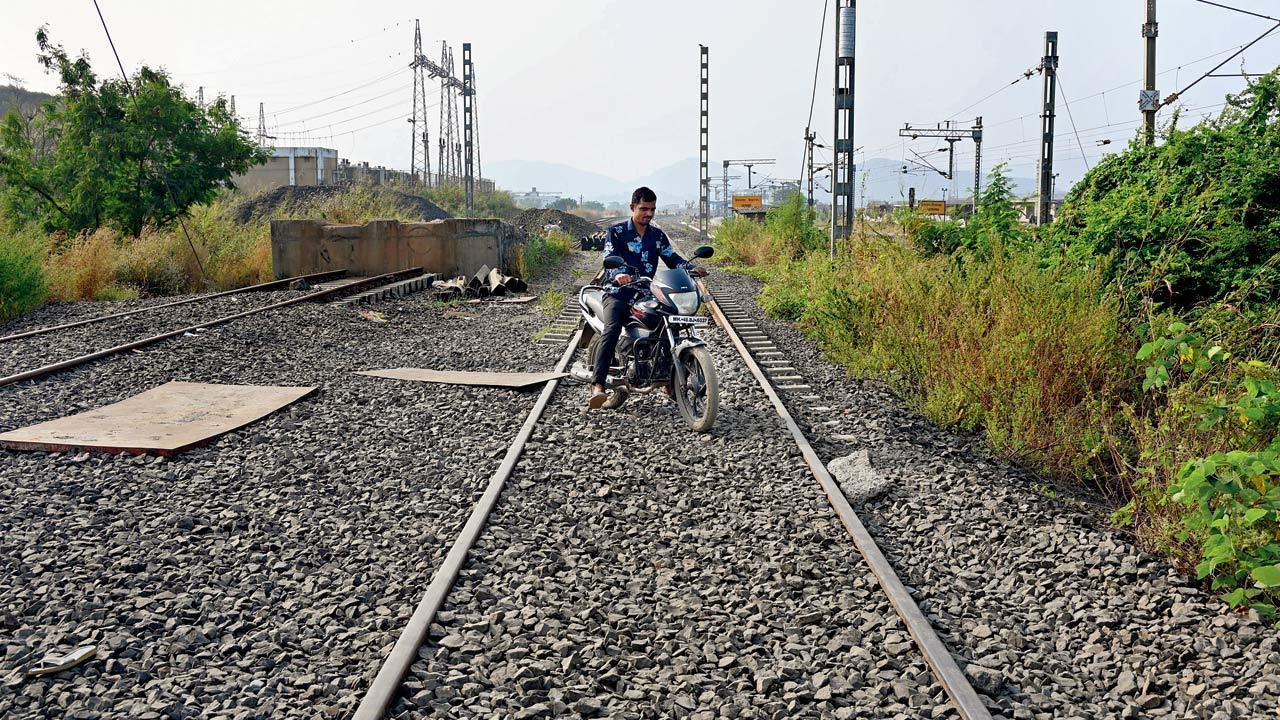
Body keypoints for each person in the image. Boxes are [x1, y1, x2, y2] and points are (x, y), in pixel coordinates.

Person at [588, 186, 707, 409]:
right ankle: (599, 385)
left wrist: (691, 268)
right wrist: (619, 274)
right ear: (632, 207)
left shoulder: (657, 235)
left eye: (652, 209)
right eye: (644, 209)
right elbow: (610, 257)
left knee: (669, 323)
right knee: (612, 329)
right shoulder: (616, 232)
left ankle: (667, 380)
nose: (648, 214)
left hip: (645, 293)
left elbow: (672, 258)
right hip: (618, 292)